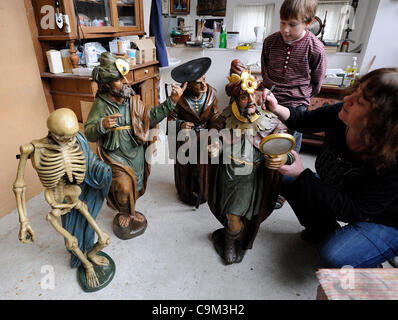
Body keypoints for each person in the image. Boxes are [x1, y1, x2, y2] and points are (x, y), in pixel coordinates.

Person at [263, 68, 398, 268]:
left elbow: (355, 210)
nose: (348, 99)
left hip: (382, 218)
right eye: (356, 91)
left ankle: (387, 246)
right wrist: (276, 107)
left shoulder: (392, 161)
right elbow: (303, 120)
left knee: (334, 257)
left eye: (359, 101)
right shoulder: (340, 113)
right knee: (286, 176)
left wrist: (303, 175)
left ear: (380, 123)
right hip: (344, 191)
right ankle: (323, 231)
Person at [85, 52, 186, 240]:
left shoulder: (133, 100)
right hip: (115, 156)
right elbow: (89, 132)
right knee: (123, 188)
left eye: (124, 77)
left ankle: (130, 211)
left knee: (135, 185)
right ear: (107, 84)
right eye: (117, 79)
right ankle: (124, 212)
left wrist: (171, 101)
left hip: (135, 151)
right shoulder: (100, 104)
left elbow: (150, 118)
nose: (124, 82)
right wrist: (102, 125)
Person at [207, 59, 293, 265]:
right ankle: (231, 240)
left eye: (253, 94)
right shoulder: (224, 118)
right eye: (244, 96)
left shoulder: (271, 121)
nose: (251, 100)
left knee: (241, 217)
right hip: (226, 177)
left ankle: (232, 241)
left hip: (251, 179)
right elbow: (211, 138)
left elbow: (288, 150)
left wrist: (282, 157)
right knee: (230, 216)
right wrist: (213, 146)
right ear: (235, 99)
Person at [260, 0, 327, 208]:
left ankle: (282, 188)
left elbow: (317, 81)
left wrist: (302, 98)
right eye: (282, 23)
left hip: (296, 106)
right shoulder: (270, 42)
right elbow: (265, 70)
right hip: (270, 100)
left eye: (292, 24)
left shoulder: (315, 47)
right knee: (263, 142)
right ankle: (262, 183)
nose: (285, 30)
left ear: (307, 23)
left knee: (288, 148)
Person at [168, 57, 220, 207]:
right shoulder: (179, 98)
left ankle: (203, 192)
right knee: (186, 166)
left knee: (204, 166)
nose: (203, 85)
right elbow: (171, 119)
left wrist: (214, 134)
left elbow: (216, 117)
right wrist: (180, 124)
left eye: (204, 80)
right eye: (198, 82)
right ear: (188, 85)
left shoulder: (211, 94)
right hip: (186, 136)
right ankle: (185, 192)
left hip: (205, 134)